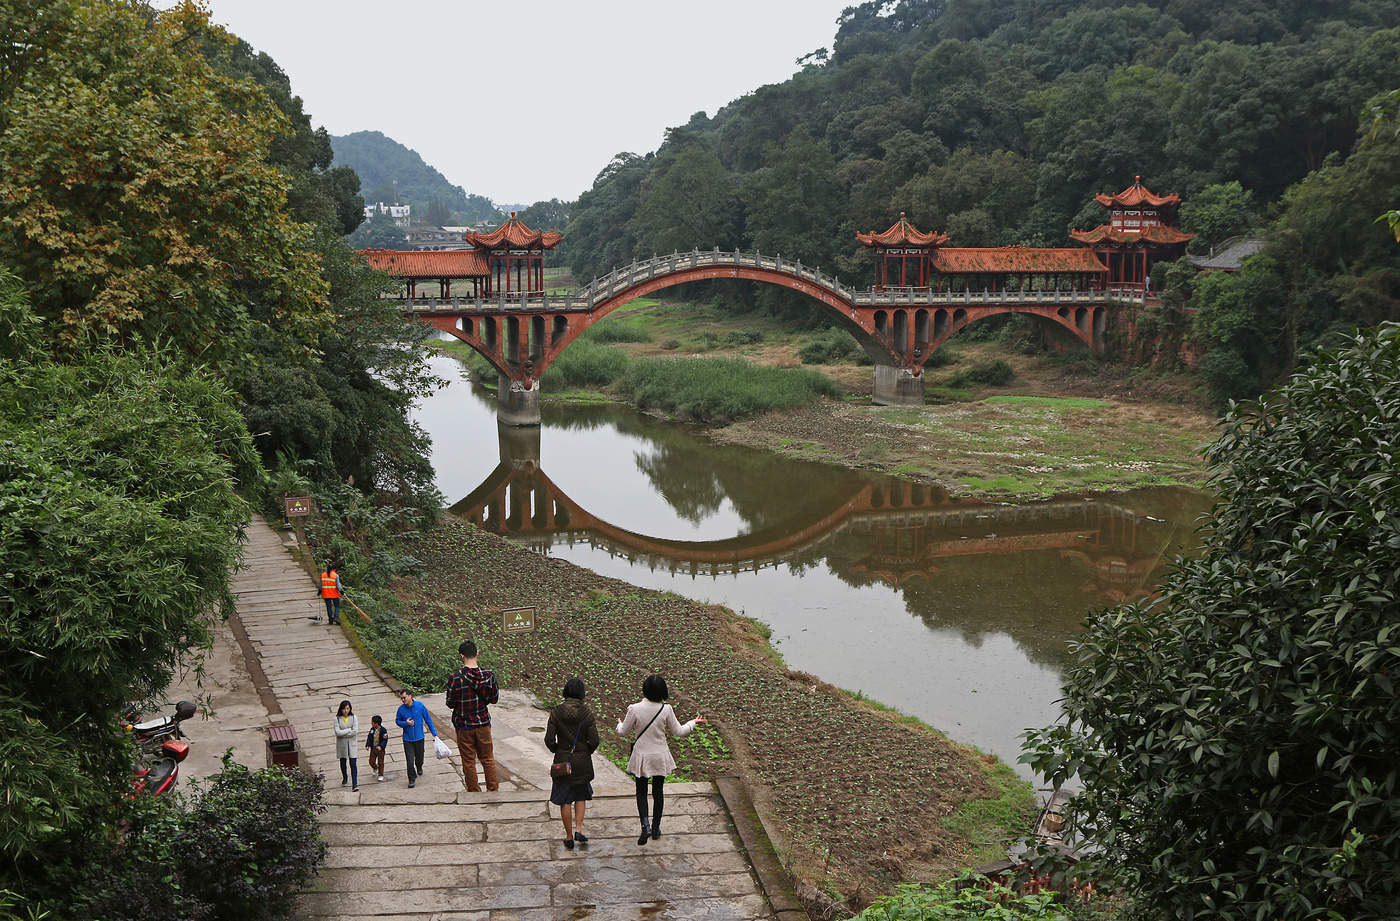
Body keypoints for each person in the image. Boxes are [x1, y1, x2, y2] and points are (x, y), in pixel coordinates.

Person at [616, 674, 705, 846]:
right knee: (658, 792)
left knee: (641, 792)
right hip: (660, 756)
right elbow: (679, 731)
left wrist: (619, 723)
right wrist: (693, 722)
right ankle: (656, 828)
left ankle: (645, 825)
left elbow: (622, 732)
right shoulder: (666, 709)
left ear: (645, 689)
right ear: (663, 691)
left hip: (642, 757)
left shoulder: (634, 709)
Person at [544, 677, 599, 850]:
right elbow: (595, 740)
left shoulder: (556, 712)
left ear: (565, 692)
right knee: (581, 796)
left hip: (563, 761)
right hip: (582, 762)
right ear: (582, 694)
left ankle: (568, 836)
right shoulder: (587, 713)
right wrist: (585, 752)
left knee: (565, 800)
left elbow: (549, 739)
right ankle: (579, 829)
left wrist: (557, 750)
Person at [444, 639, 500, 792]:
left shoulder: (455, 678)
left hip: (463, 726)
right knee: (488, 759)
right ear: (477, 653)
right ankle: (493, 790)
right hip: (483, 724)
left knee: (468, 761)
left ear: (461, 656)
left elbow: (450, 703)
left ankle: (474, 792)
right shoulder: (489, 675)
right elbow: (494, 699)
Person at [394, 688, 437, 789]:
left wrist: (434, 733)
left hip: (419, 737)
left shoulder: (420, 706)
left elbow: (428, 719)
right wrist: (406, 723)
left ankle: (419, 766)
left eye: (404, 698)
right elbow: (397, 721)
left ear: (410, 696)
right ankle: (411, 779)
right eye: (401, 699)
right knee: (409, 760)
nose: (403, 700)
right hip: (407, 739)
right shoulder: (401, 709)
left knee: (420, 756)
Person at [333, 699, 359, 791]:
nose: (346, 711)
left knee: (353, 763)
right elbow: (337, 732)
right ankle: (345, 776)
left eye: (347, 708)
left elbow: (355, 731)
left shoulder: (354, 717)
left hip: (352, 744)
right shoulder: (336, 719)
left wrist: (344, 732)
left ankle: (355, 784)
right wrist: (348, 730)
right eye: (344, 709)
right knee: (343, 762)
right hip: (342, 744)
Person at [365, 714, 389, 782]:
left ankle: (380, 774)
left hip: (380, 750)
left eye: (372, 722)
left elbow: (385, 739)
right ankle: (375, 768)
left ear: (376, 723)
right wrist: (367, 745)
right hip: (373, 749)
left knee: (380, 762)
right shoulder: (372, 729)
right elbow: (369, 738)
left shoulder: (383, 730)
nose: (371, 723)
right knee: (371, 761)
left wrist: (381, 746)